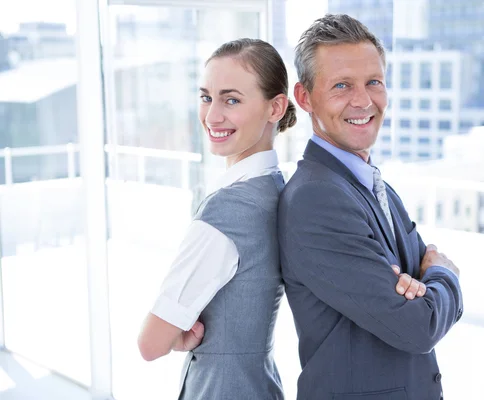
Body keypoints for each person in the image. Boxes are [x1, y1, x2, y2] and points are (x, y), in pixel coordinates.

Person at [278, 14, 464, 400]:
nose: (363, 101)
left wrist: (424, 286)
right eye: (342, 85)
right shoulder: (316, 199)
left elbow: (419, 292)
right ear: (304, 97)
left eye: (373, 82)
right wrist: (444, 276)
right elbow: (419, 325)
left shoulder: (374, 183)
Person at [138, 38, 296, 400]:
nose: (212, 116)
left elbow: (150, 344)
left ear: (275, 108)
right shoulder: (277, 189)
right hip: (262, 384)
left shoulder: (226, 213)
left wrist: (178, 339)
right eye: (206, 97)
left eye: (232, 100)